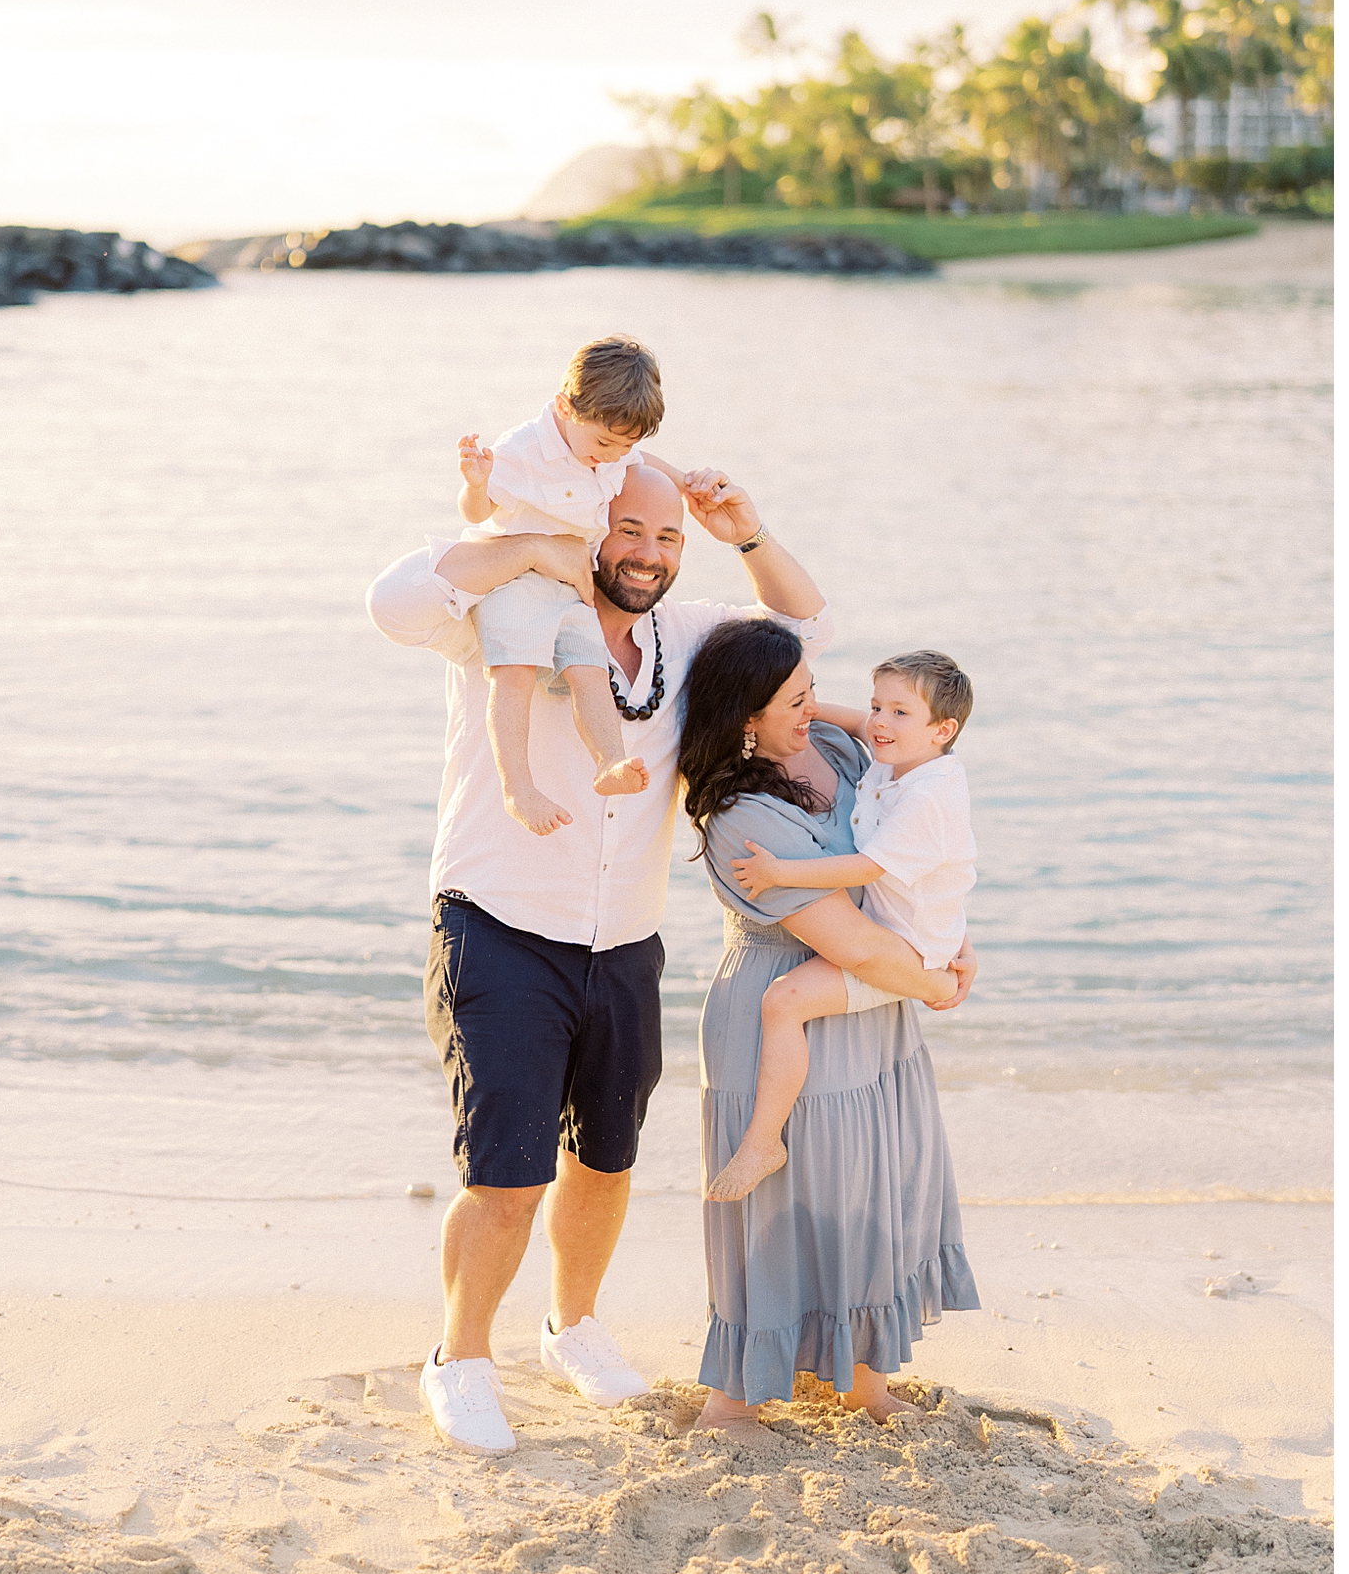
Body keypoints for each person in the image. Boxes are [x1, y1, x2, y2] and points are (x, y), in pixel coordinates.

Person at [366, 462, 901, 1453]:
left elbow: (802, 633)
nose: (647, 552)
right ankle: (462, 1358)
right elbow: (394, 601)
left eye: (665, 536)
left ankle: (572, 1329)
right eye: (628, 530)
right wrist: (525, 544)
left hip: (622, 942)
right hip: (500, 923)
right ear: (584, 527)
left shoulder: (686, 637)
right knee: (506, 1177)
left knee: (603, 1162)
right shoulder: (510, 614)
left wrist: (746, 533)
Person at [677, 619, 980, 1428]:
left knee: (860, 1195)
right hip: (794, 992)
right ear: (746, 715)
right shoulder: (741, 813)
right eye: (796, 699)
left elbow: (913, 862)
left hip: (870, 999)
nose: (819, 708)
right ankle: (733, 1402)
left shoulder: (842, 752)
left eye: (814, 690)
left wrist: (951, 939)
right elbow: (845, 933)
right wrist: (932, 979)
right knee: (776, 1209)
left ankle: (860, 1383)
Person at [709, 649, 977, 1200]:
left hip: (906, 947)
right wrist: (787, 707)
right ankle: (763, 1141)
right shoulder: (905, 756)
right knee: (787, 1002)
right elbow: (856, 722)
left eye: (899, 713)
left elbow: (871, 866)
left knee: (785, 1002)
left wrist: (782, 871)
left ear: (943, 730)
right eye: (877, 705)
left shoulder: (927, 795)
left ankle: (763, 1140)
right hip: (912, 927)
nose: (878, 722)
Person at [454, 333, 723, 835]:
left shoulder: (614, 449)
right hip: (517, 581)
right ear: (565, 406)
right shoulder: (523, 450)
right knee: (513, 677)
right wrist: (475, 482)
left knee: (589, 673)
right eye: (604, 442)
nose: (612, 456)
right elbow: (478, 512)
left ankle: (608, 762)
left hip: (571, 584)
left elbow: (644, 463)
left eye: (626, 445)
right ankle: (519, 787)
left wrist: (689, 483)